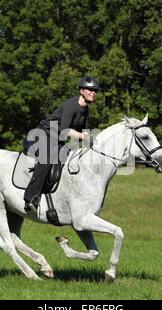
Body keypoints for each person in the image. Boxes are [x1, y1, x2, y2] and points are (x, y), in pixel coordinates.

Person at [23, 76, 100, 213]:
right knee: (47, 160)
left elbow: (82, 130)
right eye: (90, 90)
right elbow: (65, 130)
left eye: (95, 90)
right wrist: (82, 136)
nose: (93, 92)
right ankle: (30, 198)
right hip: (42, 135)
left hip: (57, 139)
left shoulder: (85, 109)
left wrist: (93, 142)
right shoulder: (71, 106)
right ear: (82, 91)